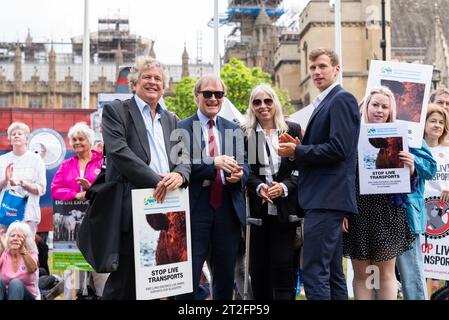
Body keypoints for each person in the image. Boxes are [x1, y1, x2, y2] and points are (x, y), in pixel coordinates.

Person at [101, 56, 190, 300]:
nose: (153, 82)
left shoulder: (172, 119)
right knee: (125, 282)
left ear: (164, 86)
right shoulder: (116, 111)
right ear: (134, 83)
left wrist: (179, 176)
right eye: (147, 77)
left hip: (170, 207)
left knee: (159, 282)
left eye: (158, 78)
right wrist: (157, 181)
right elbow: (119, 152)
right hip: (132, 205)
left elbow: (183, 158)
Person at [277, 48, 360, 300]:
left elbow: (340, 149)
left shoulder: (341, 99)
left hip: (327, 199)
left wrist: (299, 150)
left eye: (322, 66)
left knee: (313, 272)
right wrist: (296, 150)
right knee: (333, 273)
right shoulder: (326, 101)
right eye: (312, 68)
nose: (316, 72)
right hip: (324, 199)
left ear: (337, 69)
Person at [342, 87, 419, 299]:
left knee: (386, 273)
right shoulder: (351, 135)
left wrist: (411, 168)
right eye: (375, 105)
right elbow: (342, 176)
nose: (379, 110)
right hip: (357, 211)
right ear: (366, 106)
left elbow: (410, 184)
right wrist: (343, 211)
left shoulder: (398, 137)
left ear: (390, 110)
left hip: (388, 212)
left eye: (384, 106)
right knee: (363, 274)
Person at [177, 74, 248, 300]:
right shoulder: (181, 127)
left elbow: (245, 163)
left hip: (227, 208)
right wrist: (213, 162)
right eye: (208, 93)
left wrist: (240, 174)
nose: (213, 98)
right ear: (196, 96)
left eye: (219, 94)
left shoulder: (234, 128)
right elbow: (180, 164)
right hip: (194, 208)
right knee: (188, 277)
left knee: (225, 277)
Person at [243, 84, 302, 300]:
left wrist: (285, 186)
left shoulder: (292, 129)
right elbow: (245, 170)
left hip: (286, 211)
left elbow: (300, 166)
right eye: (257, 102)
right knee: (258, 269)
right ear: (252, 106)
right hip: (258, 212)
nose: (263, 106)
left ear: (275, 102)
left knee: (284, 267)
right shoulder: (246, 133)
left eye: (267, 101)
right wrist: (259, 187)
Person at [50, 122, 108, 298]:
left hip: (99, 222)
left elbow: (109, 187)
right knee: (72, 275)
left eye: (81, 139)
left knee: (101, 270)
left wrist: (91, 190)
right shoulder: (67, 165)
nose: (77, 142)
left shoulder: (103, 162)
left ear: (89, 141)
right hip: (73, 227)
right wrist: (76, 195)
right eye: (74, 139)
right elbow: (55, 188)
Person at [396, 105, 437, 300]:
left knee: (411, 273)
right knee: (378, 276)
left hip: (405, 214)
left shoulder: (410, 132)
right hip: (374, 215)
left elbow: (430, 168)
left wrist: (413, 161)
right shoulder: (365, 134)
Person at [0, 122, 46, 236]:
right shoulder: (2, 159)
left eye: (20, 133)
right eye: (13, 134)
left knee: (27, 251)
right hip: (6, 214)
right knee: (5, 251)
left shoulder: (36, 159)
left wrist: (22, 183)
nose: (16, 135)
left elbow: (41, 189)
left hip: (28, 214)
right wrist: (5, 179)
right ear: (10, 140)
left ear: (26, 139)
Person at [421, 104, 449, 293]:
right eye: (433, 121)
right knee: (422, 264)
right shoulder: (417, 148)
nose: (437, 125)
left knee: (441, 265)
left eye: (441, 122)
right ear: (424, 124)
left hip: (444, 216)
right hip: (421, 212)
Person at [0, 221, 38, 300]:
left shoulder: (31, 254)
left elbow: (32, 268)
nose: (15, 238)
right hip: (5, 296)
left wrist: (21, 249)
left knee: (15, 283)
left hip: (26, 296)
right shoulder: (4, 254)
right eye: (12, 235)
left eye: (19, 236)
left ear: (26, 240)